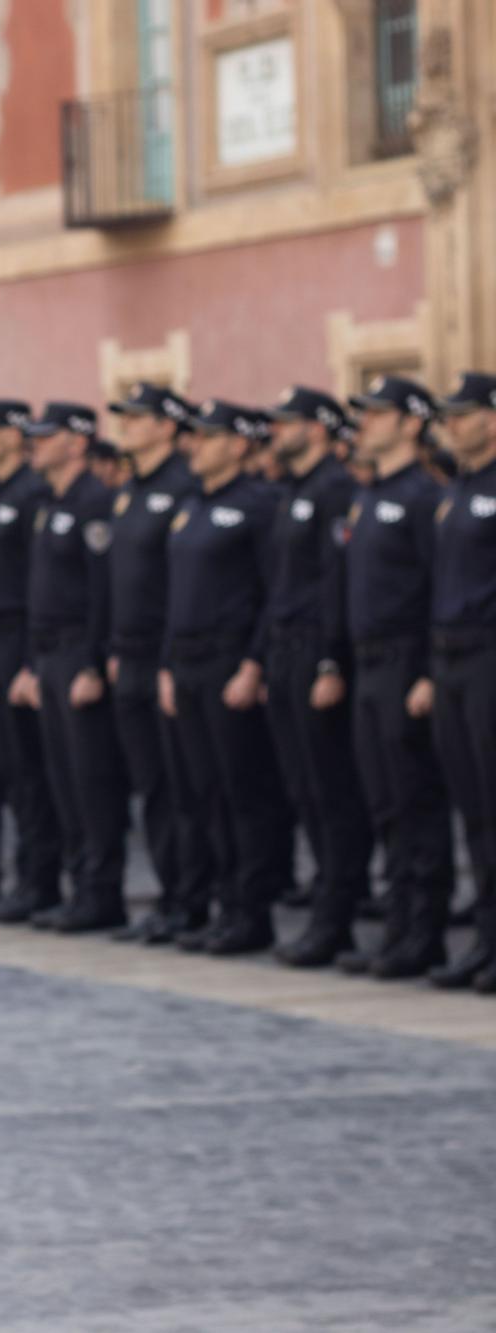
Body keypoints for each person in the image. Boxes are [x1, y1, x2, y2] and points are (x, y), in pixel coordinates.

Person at [335, 374, 454, 978]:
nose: (365, 424)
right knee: (383, 803)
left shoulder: (423, 497)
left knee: (416, 802)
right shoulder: (368, 495)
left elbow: (441, 589)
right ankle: (398, 926)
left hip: (408, 663)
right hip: (369, 664)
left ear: (411, 423)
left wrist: (430, 672)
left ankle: (424, 933)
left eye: (378, 414)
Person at [159, 400, 288, 955]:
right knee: (203, 792)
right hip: (185, 662)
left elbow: (272, 590)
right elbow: (174, 595)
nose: (196, 446)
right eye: (196, 437)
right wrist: (166, 663)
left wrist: (254, 664)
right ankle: (219, 901)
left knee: (244, 794)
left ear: (239, 443)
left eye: (209, 437)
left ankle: (250, 910)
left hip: (229, 661)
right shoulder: (190, 507)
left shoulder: (260, 505)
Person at [260, 387, 375, 967]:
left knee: (331, 792)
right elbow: (275, 586)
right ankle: (329, 903)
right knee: (302, 786)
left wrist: (331, 660)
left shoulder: (335, 489)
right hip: (283, 651)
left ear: (321, 429)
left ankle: (338, 914)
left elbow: (335, 583)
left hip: (315, 653)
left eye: (289, 423)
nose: (277, 432)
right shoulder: (293, 491)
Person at [102, 383, 210, 945]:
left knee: (180, 787)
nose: (128, 426)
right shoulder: (129, 491)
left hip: (168, 656)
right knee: (152, 788)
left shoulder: (184, 489)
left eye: (139, 418)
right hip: (131, 657)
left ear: (168, 427)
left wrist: (166, 658)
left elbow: (183, 589)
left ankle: (193, 899)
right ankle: (171, 896)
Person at [20, 402, 128, 932]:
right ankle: (77, 882)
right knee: (62, 779)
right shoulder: (49, 502)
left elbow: (102, 594)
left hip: (77, 655)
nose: (34, 444)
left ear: (77, 442)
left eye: (47, 436)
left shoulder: (95, 502)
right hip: (48, 655)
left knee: (92, 781)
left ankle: (101, 892)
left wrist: (91, 661)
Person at [0, 399, 63, 923]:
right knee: (8, 770)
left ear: (12, 435)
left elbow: (34, 588)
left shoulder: (30, 493)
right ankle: (25, 878)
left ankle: (40, 879)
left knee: (30, 771)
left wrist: (27, 661)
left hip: (20, 643)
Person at [430, 373, 496, 991]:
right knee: (472, 811)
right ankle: (485, 939)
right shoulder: (457, 488)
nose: (451, 423)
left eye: (464, 412)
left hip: (487, 658)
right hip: (450, 660)